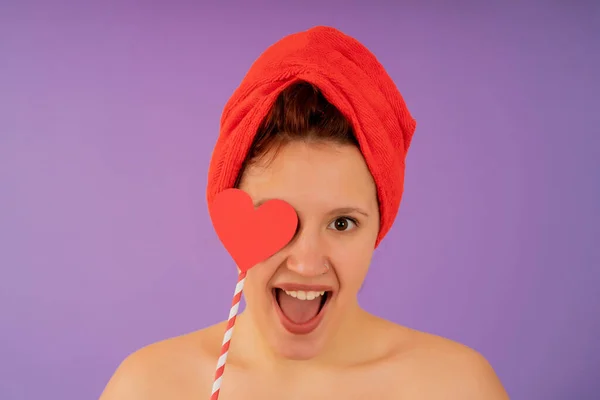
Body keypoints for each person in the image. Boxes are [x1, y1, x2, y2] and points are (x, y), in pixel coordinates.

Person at [100, 26, 508, 399]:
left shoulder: (456, 386)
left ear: (379, 227)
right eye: (279, 216)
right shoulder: (148, 386)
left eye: (342, 223)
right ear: (230, 221)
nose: (307, 263)